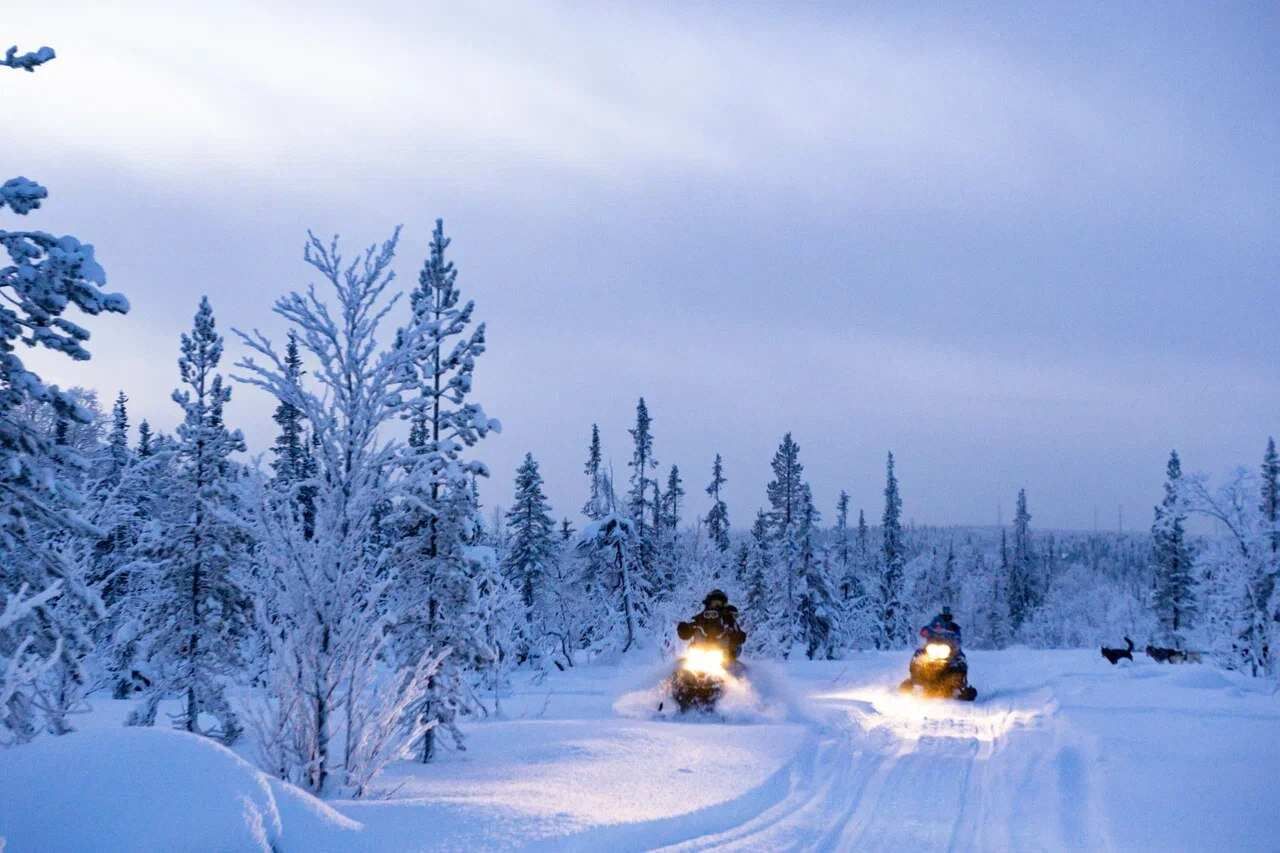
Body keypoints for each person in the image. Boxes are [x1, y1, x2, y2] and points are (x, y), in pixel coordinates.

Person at [677, 589, 746, 661]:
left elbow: (739, 634)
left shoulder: (729, 620)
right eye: (714, 603)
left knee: (734, 663)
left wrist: (738, 636)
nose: (716, 606)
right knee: (682, 665)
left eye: (719, 603)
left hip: (723, 658)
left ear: (723, 605)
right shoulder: (701, 618)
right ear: (708, 603)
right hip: (699, 655)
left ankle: (736, 667)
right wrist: (684, 629)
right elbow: (689, 629)